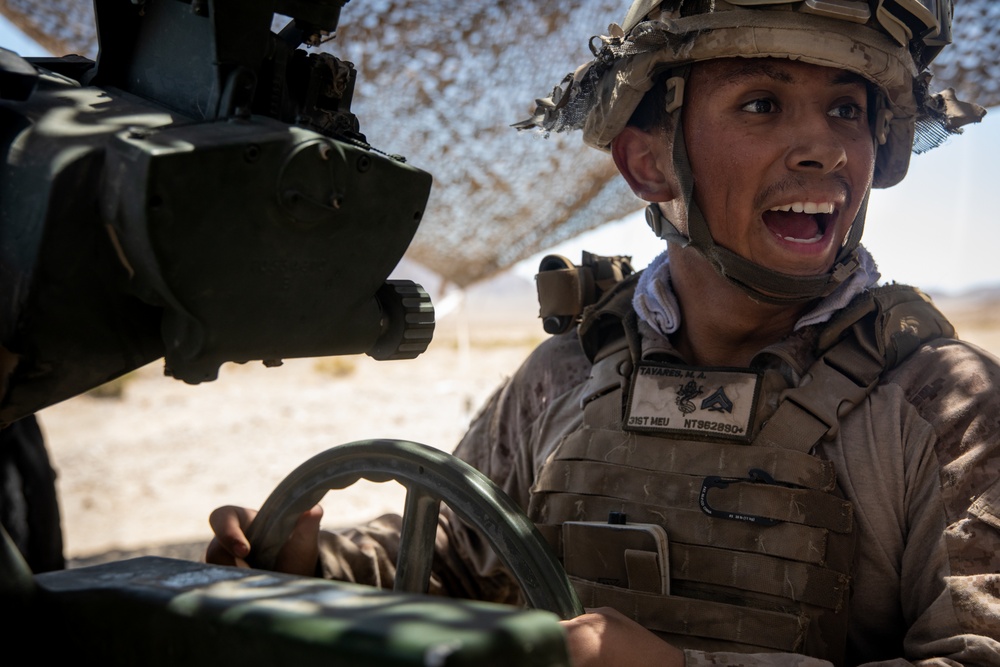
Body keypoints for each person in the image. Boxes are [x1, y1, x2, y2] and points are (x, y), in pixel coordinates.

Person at [207, 1, 998, 665]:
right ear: (648, 165)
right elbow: (455, 555)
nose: (825, 147)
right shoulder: (565, 375)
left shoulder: (941, 408)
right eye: (762, 103)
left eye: (847, 110)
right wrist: (317, 561)